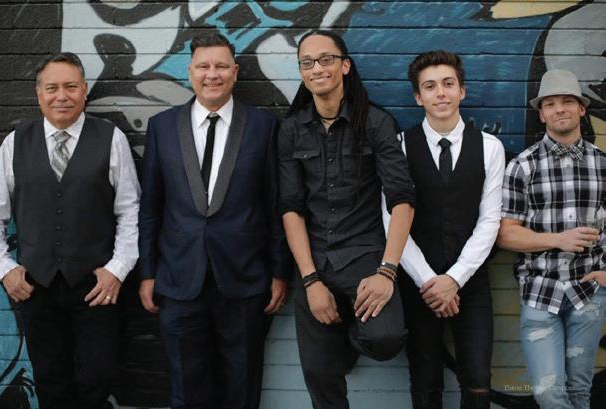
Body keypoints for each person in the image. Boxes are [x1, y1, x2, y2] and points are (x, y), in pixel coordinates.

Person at [137, 33, 291, 409]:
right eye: (203, 66)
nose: (212, 74)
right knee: (187, 391)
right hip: (178, 282)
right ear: (189, 71)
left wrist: (278, 272)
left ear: (235, 72)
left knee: (242, 388)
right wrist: (148, 272)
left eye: (221, 66)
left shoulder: (264, 126)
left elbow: (274, 205)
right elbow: (151, 207)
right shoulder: (162, 127)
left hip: (245, 281)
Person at [278, 29, 415, 409]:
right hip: (315, 260)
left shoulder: (376, 123)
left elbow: (403, 200)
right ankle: (330, 339)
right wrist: (310, 280)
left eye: (326, 59)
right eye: (307, 62)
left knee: (386, 339)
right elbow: (290, 207)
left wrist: (387, 271)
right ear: (301, 72)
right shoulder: (291, 130)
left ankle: (346, 335)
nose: (317, 68)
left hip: (364, 256)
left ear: (345, 66)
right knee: (320, 374)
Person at [0, 52, 140, 409]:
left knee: (99, 376)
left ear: (84, 91)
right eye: (52, 88)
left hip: (97, 286)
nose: (61, 96)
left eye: (71, 87)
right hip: (37, 287)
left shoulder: (111, 138)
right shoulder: (15, 143)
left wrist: (116, 270)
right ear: (39, 94)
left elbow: (130, 211)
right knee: (50, 381)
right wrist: (5, 268)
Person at [383, 50, 505, 409]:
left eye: (448, 84)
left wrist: (454, 278)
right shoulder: (399, 147)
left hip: (471, 282)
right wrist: (428, 281)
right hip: (418, 283)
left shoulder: (490, 148)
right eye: (430, 86)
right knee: (425, 384)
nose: (441, 93)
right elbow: (391, 220)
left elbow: (490, 221)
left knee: (478, 383)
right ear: (418, 97)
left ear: (462, 91)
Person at [498, 69, 606, 409]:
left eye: (568, 101)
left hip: (589, 292)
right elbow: (506, 233)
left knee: (579, 392)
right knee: (548, 393)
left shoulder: (602, 164)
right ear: (542, 114)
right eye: (550, 103)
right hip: (540, 291)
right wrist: (559, 239)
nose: (560, 109)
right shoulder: (522, 166)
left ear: (582, 109)